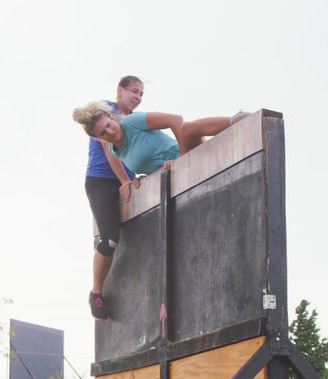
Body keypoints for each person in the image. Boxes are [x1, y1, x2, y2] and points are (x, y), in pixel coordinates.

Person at [82, 76, 144, 320]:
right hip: (101, 180)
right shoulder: (105, 111)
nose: (137, 97)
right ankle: (96, 292)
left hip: (126, 180)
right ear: (120, 90)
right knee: (109, 240)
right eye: (134, 91)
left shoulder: (134, 121)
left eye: (141, 94)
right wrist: (124, 180)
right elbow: (109, 150)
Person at [72, 101, 241, 175]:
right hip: (175, 175)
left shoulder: (132, 122)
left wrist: (182, 158)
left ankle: (237, 120)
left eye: (108, 125)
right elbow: (150, 162)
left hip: (189, 154)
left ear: (112, 118)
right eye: (103, 133)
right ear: (99, 139)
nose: (109, 132)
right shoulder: (115, 151)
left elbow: (174, 119)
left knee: (186, 128)